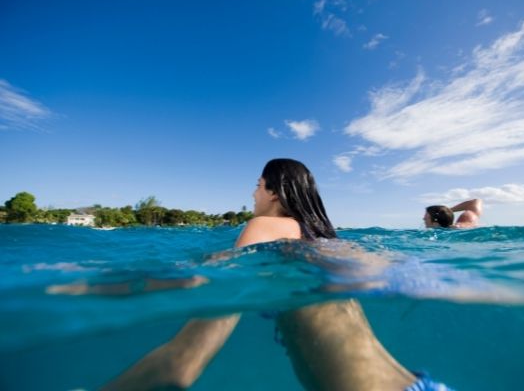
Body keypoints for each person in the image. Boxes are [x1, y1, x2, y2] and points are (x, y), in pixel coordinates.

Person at [103, 158, 452, 391]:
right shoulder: (321, 239)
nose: (252, 193)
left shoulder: (266, 225)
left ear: (273, 192)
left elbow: (181, 364)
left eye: (257, 185)